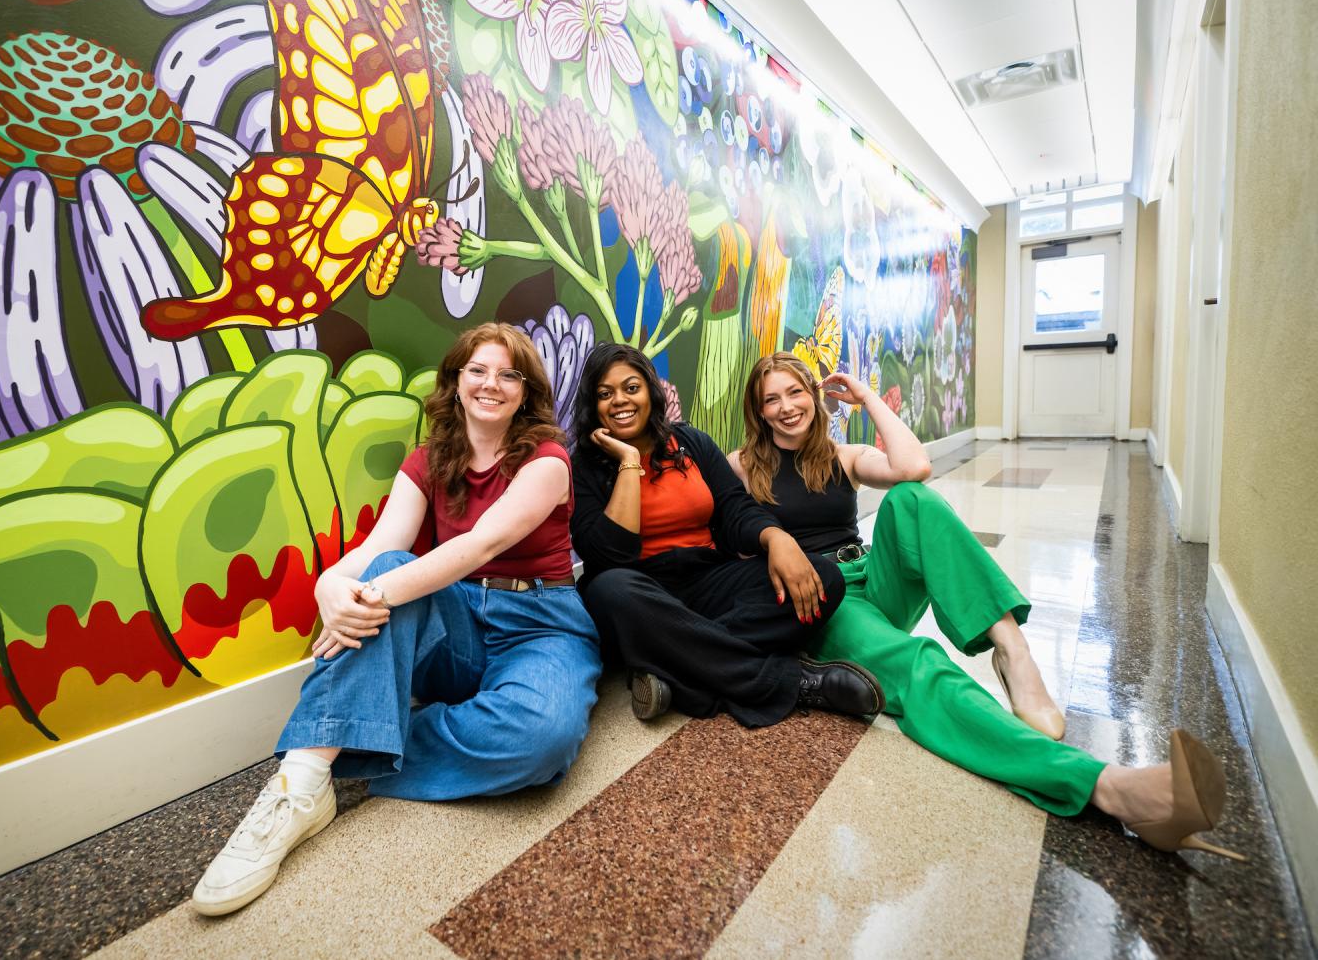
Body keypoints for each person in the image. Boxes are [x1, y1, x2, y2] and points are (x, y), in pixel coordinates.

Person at [730, 352, 1242, 857]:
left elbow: (915, 465)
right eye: (770, 399)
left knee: (912, 498)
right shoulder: (742, 466)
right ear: (758, 411)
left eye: (796, 392)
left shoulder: (841, 455)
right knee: (920, 664)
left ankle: (1013, 651)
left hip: (871, 575)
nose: (786, 407)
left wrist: (866, 397)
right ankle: (1109, 788)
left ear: (815, 397)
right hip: (819, 599)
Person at [192, 323, 603, 917]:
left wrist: (365, 596)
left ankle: (361, 732)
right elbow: (382, 544)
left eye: (509, 374)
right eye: (478, 371)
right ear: (456, 383)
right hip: (457, 616)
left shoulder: (547, 459)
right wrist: (330, 585)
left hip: (541, 620)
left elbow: (478, 546)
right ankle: (301, 785)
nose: (492, 384)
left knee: (542, 740)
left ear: (526, 390)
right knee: (386, 563)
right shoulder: (427, 461)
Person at [568, 343, 882, 729]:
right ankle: (793, 682)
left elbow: (735, 508)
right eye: (605, 393)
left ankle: (675, 669)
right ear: (593, 404)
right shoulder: (583, 464)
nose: (620, 401)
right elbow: (610, 554)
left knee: (824, 580)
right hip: (640, 592)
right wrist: (630, 464)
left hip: (705, 578)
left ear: (650, 391)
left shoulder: (690, 443)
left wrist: (775, 538)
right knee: (611, 589)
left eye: (631, 387)